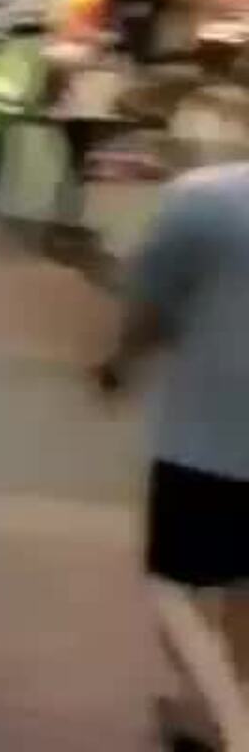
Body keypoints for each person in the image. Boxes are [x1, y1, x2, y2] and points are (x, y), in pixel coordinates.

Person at [98, 161, 249, 751]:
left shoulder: (205, 198)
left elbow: (150, 303)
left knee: (173, 585)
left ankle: (236, 730)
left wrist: (117, 365)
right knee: (242, 587)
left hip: (212, 432)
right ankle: (213, 708)